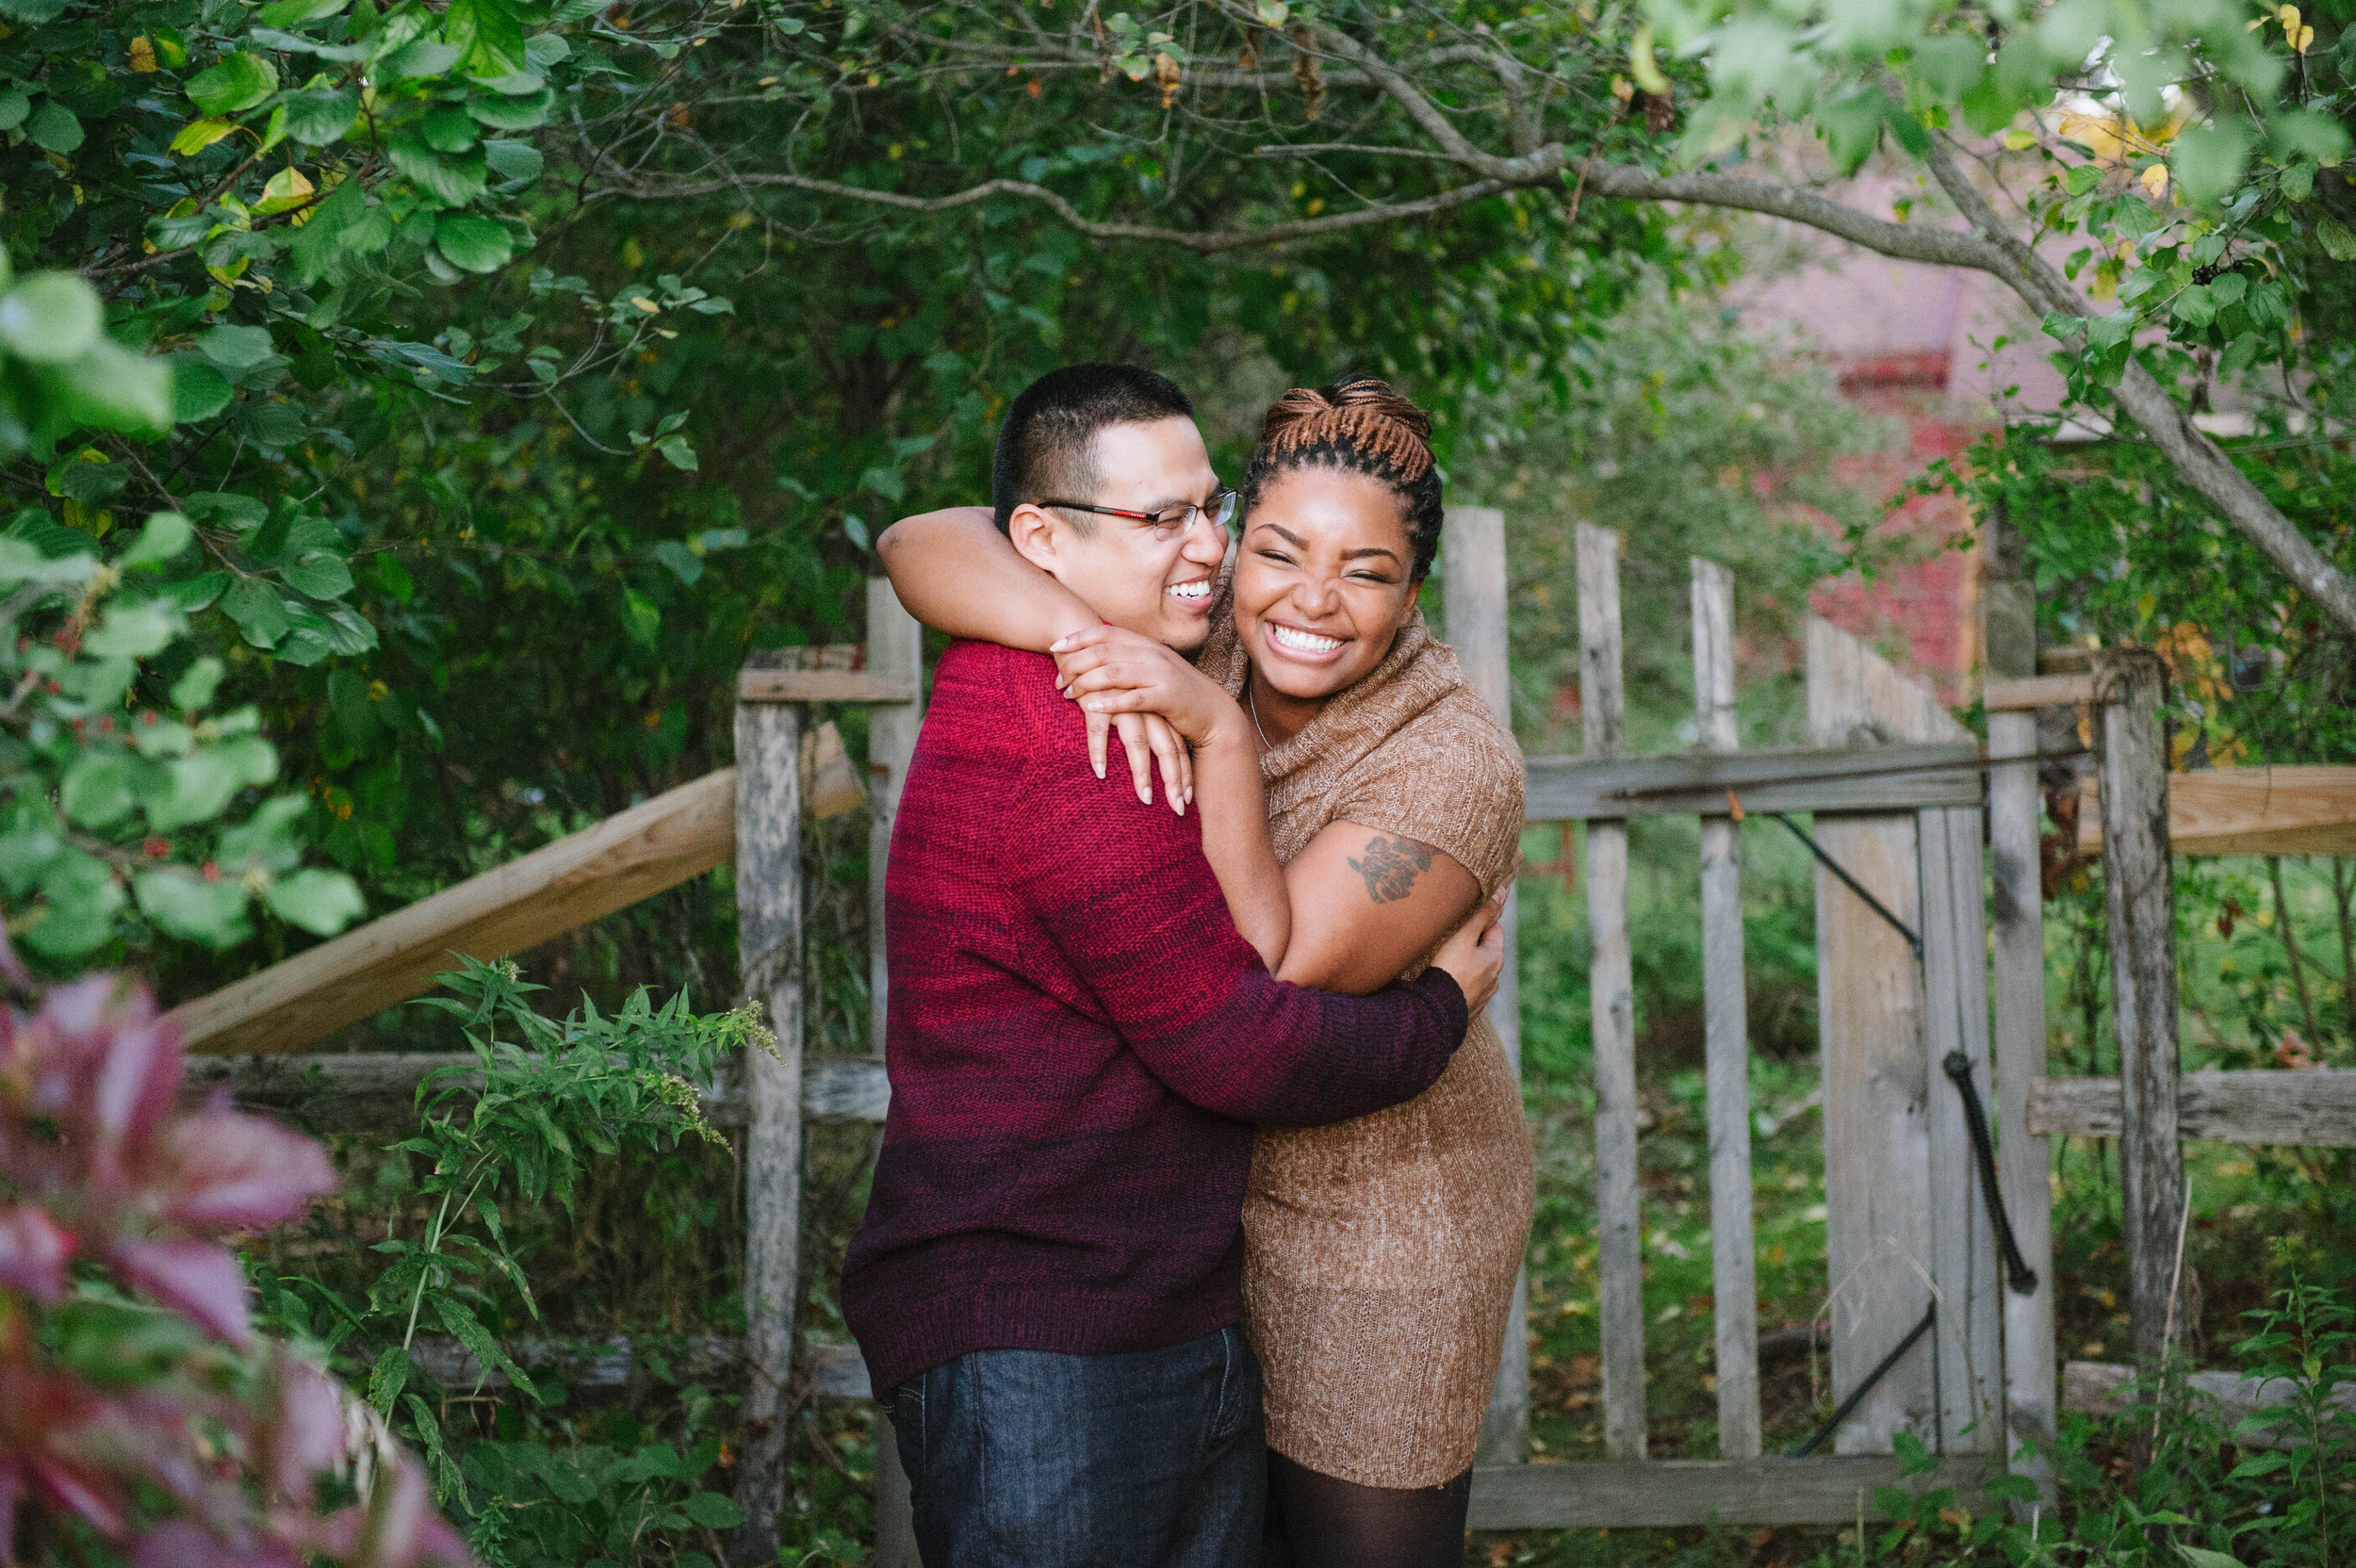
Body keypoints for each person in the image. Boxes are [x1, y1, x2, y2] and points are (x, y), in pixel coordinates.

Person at [840, 363, 1509, 1568]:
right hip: (1052, 1307)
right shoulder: (1099, 710)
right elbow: (920, 534)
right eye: (1178, 521)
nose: (1206, 549)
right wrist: (1438, 1011)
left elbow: (1269, 971)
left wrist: (1194, 713)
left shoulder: (1217, 679)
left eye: (1209, 511)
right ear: (1042, 541)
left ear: (1415, 592)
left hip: (1264, 1254)